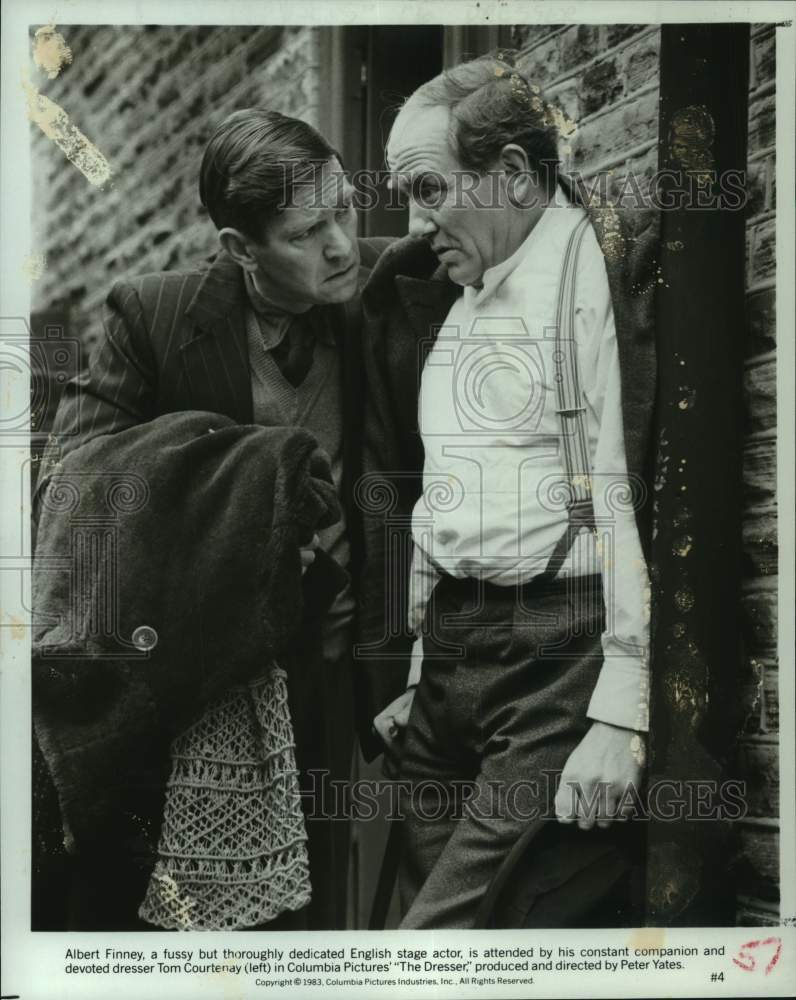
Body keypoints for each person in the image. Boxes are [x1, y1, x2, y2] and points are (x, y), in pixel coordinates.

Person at [33, 108, 392, 931]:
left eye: (346, 207)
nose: (343, 244)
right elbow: (72, 482)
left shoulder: (382, 292)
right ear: (240, 249)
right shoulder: (155, 317)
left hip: (327, 665)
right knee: (182, 918)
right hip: (194, 681)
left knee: (310, 913)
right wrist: (234, 482)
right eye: (309, 231)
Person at [361, 52, 659, 928]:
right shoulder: (449, 300)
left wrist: (622, 714)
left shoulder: (593, 271)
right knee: (426, 916)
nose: (415, 223)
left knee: (436, 940)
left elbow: (623, 500)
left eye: (429, 189)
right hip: (450, 659)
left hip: (556, 652)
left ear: (517, 176)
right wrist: (424, 669)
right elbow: (443, 500)